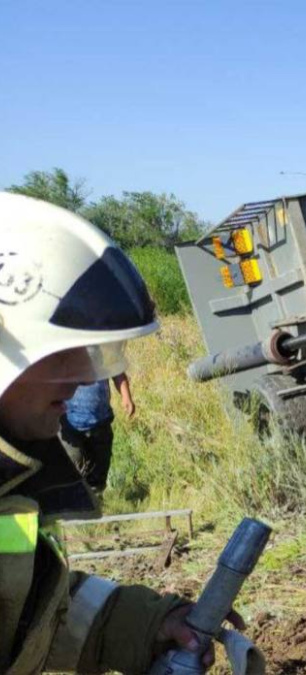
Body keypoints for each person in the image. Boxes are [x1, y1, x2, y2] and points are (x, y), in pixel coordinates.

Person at [0, 192, 243, 673]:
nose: (87, 375)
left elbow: (31, 613)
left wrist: (149, 623)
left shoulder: (15, 483)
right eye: (60, 350)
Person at [60, 372, 135, 495]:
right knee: (72, 469)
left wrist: (126, 396)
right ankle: (74, 505)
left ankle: (95, 501)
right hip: (69, 425)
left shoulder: (104, 353)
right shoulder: (64, 353)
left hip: (101, 422)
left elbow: (117, 372)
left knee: (98, 477)